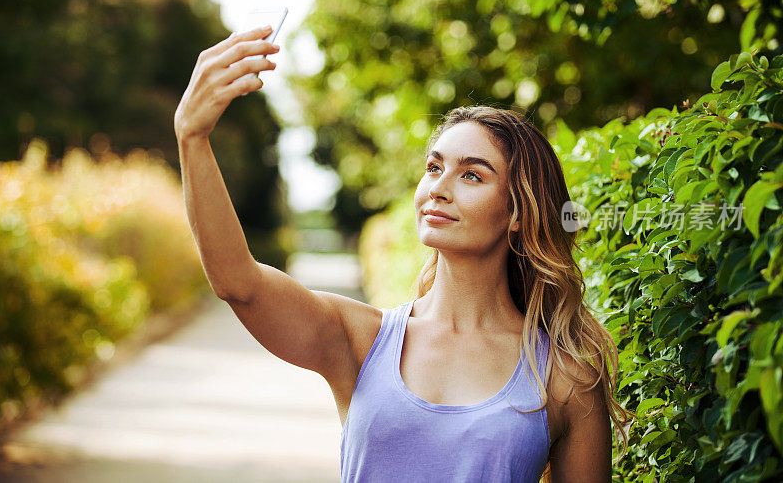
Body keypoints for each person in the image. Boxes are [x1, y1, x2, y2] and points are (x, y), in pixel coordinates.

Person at [174, 28, 633, 482]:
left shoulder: (565, 377)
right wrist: (192, 137)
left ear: (517, 212)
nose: (438, 188)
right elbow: (238, 282)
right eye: (434, 167)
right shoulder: (360, 340)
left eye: (471, 175)